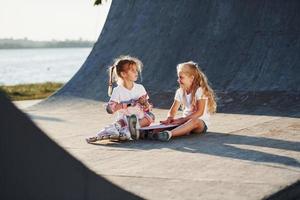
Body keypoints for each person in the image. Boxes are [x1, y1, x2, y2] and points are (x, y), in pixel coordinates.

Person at [86, 55, 154, 143]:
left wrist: (144, 103)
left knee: (151, 116)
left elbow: (147, 107)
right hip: (125, 118)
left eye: (136, 70)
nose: (136, 72)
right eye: (132, 70)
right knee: (121, 122)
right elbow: (111, 109)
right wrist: (119, 106)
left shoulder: (140, 88)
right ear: (123, 74)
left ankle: (131, 129)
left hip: (139, 118)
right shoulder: (118, 90)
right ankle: (120, 129)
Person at [154, 61, 217, 141]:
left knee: (194, 121)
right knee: (168, 124)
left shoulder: (199, 90)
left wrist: (182, 120)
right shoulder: (180, 91)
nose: (178, 80)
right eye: (178, 77)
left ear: (191, 78)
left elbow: (199, 112)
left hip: (200, 123)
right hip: (185, 121)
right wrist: (169, 118)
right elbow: (173, 109)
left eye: (181, 77)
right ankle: (150, 133)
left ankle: (169, 134)